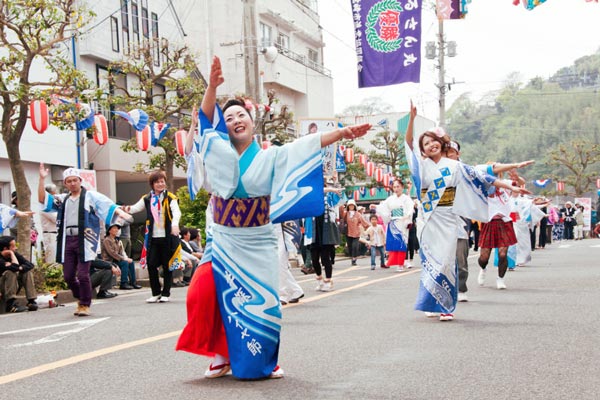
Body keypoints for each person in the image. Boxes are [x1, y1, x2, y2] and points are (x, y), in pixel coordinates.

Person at [176, 55, 371, 380]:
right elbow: (206, 118)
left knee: (260, 304)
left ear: (252, 123)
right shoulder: (216, 151)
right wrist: (211, 86)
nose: (236, 119)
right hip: (223, 238)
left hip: (259, 238)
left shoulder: (271, 155)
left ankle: (263, 361)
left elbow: (306, 146)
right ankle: (221, 353)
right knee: (204, 291)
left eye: (242, 115)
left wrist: (341, 134)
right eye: (230, 116)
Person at [405, 101, 531, 322]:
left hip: (447, 219)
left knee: (446, 261)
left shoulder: (455, 166)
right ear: (422, 149)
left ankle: (445, 305)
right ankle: (431, 302)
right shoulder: (422, 165)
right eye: (425, 143)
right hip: (427, 220)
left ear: (440, 143)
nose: (430, 145)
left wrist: (510, 184)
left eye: (433, 140)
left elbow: (484, 176)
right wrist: (412, 120)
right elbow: (408, 144)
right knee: (430, 262)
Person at [39, 164, 132, 317]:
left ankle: (84, 304)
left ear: (80, 180)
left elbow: (107, 205)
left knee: (83, 274)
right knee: (68, 275)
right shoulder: (64, 199)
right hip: (67, 239)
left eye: (75, 180)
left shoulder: (91, 196)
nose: (72, 183)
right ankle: (82, 295)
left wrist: (121, 213)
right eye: (69, 181)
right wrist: (42, 179)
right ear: (65, 183)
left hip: (85, 239)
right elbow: (43, 199)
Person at [123, 171, 181, 303]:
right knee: (151, 264)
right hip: (153, 238)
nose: (160, 184)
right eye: (157, 182)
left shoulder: (170, 197)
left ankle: (166, 293)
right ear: (152, 184)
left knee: (167, 265)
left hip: (168, 236)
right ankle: (155, 293)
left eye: (162, 181)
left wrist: (175, 225)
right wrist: (120, 209)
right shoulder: (147, 198)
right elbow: (134, 209)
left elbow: (176, 212)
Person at [376, 179, 414, 272]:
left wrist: (407, 217)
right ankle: (396, 262)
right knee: (393, 244)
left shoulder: (406, 199)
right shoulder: (390, 199)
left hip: (402, 222)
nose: (396, 189)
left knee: (401, 243)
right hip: (393, 222)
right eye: (394, 187)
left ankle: (401, 264)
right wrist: (376, 207)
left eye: (398, 186)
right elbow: (384, 207)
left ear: (402, 187)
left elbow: (410, 209)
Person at [0, 235, 38, 312]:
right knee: (10, 273)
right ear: (5, 249)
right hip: (2, 289)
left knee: (26, 272)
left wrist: (19, 267)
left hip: (11, 287)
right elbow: (14, 268)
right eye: (13, 246)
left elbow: (30, 265)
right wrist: (12, 255)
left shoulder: (14, 254)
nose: (16, 248)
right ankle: (11, 305)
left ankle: (31, 301)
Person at [101, 223, 141, 290]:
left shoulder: (117, 241)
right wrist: (124, 259)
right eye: (114, 228)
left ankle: (133, 283)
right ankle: (123, 283)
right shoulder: (107, 240)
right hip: (109, 261)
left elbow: (120, 252)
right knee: (124, 263)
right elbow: (112, 253)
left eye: (117, 228)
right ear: (109, 231)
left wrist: (126, 258)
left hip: (116, 260)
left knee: (131, 262)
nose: (116, 230)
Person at [340, 199, 369, 266]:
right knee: (350, 247)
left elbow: (363, 222)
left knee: (355, 246)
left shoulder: (358, 214)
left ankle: (354, 259)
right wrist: (341, 205)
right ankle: (352, 256)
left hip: (356, 233)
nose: (351, 207)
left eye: (352, 205)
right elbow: (341, 213)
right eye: (350, 205)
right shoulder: (346, 213)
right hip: (348, 232)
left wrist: (370, 227)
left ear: (354, 206)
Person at [40, 183, 60, 264]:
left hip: (56, 233)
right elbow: (56, 218)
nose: (56, 194)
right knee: (51, 258)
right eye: (54, 192)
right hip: (50, 234)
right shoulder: (44, 205)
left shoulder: (52, 204)